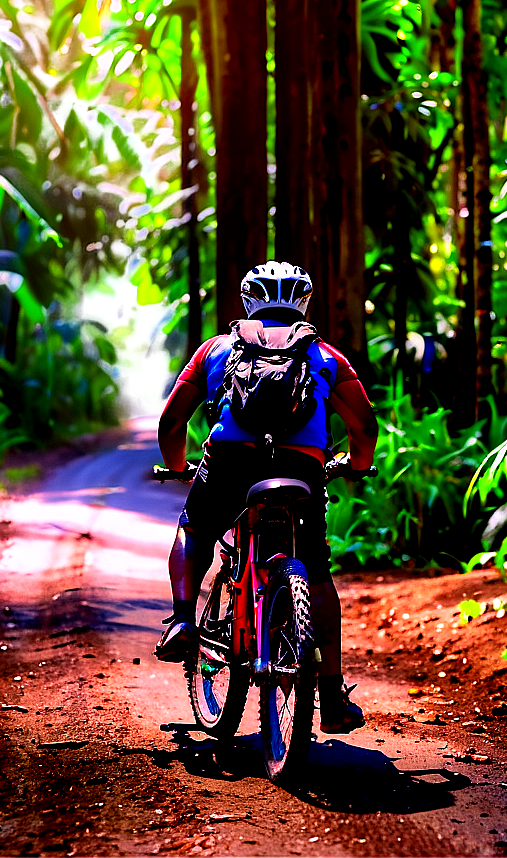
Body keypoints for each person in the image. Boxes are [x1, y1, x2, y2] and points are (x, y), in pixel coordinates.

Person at [155, 261, 378, 735]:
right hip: (300, 469)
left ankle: (181, 623)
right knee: (315, 572)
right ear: (304, 303)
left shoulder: (216, 350)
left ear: (247, 300)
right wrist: (356, 466)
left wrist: (177, 468)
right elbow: (364, 426)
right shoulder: (324, 356)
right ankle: (332, 698)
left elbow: (172, 423)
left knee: (194, 529)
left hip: (231, 464)